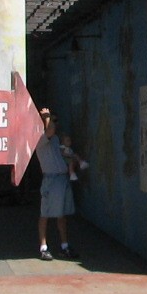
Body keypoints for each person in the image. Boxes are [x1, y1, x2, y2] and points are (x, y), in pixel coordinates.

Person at [35, 109, 84, 259]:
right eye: (51, 121)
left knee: (61, 215)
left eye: (55, 121)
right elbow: (49, 130)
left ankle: (64, 246)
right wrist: (46, 117)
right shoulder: (41, 139)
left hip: (62, 180)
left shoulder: (56, 140)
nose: (54, 124)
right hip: (51, 180)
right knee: (46, 214)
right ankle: (43, 247)